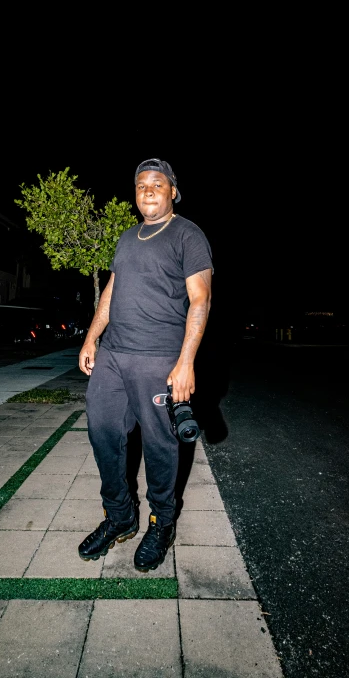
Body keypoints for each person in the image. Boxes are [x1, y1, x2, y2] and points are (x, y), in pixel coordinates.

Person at [77, 158, 213, 572]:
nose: (148, 190)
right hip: (114, 356)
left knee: (159, 447)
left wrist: (186, 362)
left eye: (157, 184)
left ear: (173, 191)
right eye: (140, 185)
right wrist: (91, 337)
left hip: (159, 358)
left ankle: (162, 521)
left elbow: (200, 299)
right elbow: (112, 294)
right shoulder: (126, 239)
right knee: (102, 435)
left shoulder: (188, 235)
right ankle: (119, 515)